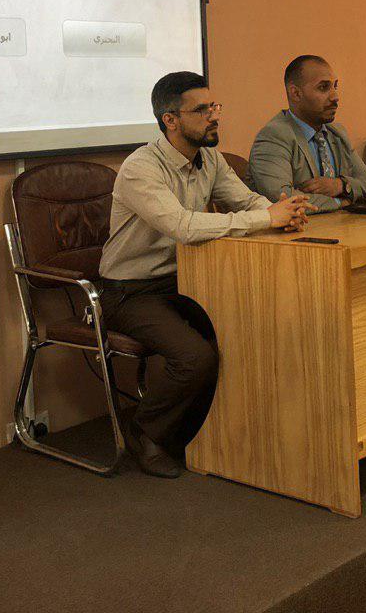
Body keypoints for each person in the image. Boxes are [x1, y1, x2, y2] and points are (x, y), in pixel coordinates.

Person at [98, 71, 312, 478]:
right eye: (202, 110)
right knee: (195, 357)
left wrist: (283, 212)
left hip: (185, 280)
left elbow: (246, 201)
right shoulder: (140, 168)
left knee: (246, 331)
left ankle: (218, 434)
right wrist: (265, 218)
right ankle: (145, 432)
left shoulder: (209, 159)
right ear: (170, 120)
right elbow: (183, 226)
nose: (214, 116)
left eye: (215, 106)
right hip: (130, 291)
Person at [248, 55, 366, 212]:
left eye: (335, 87)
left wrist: (341, 185)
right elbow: (282, 199)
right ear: (296, 93)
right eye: (323, 87)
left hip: (343, 224)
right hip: (301, 228)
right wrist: (340, 203)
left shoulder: (337, 133)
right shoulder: (274, 136)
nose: (335, 97)